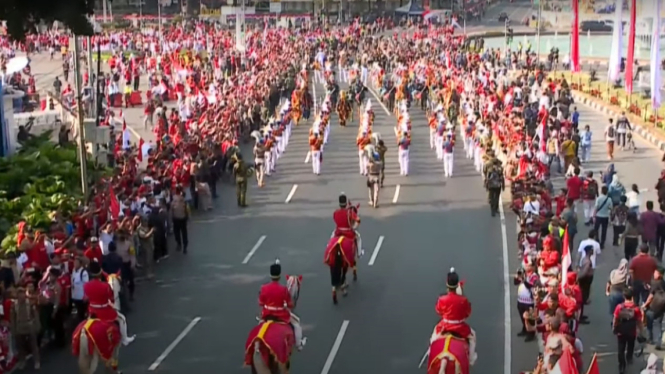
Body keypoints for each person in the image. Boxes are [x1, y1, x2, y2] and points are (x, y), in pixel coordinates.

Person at [83, 261, 135, 346]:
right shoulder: (105, 286)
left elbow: (85, 298)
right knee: (122, 319)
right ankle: (125, 339)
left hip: (92, 310)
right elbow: (111, 299)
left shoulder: (86, 285)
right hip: (104, 310)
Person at [433, 268, 477, 365]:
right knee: (473, 337)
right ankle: (471, 359)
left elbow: (438, 311)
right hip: (460, 328)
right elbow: (467, 313)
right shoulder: (463, 300)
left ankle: (431, 354)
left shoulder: (442, 299)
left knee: (433, 338)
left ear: (447, 284)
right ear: (457, 284)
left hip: (444, 326)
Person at [258, 261, 304, 351]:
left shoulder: (264, 288)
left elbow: (261, 303)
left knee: (259, 326)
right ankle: (299, 344)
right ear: (279, 275)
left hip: (267, 314)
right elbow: (290, 304)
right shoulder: (283, 289)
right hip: (281, 315)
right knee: (296, 323)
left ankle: (258, 346)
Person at [613, 288, 642, 374]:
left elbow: (615, 318)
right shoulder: (636, 309)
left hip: (621, 332)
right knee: (630, 346)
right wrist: (641, 331)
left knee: (620, 349)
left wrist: (615, 327)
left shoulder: (619, 307)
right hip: (631, 332)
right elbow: (639, 321)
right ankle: (629, 357)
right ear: (632, 297)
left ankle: (622, 365)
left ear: (624, 296)